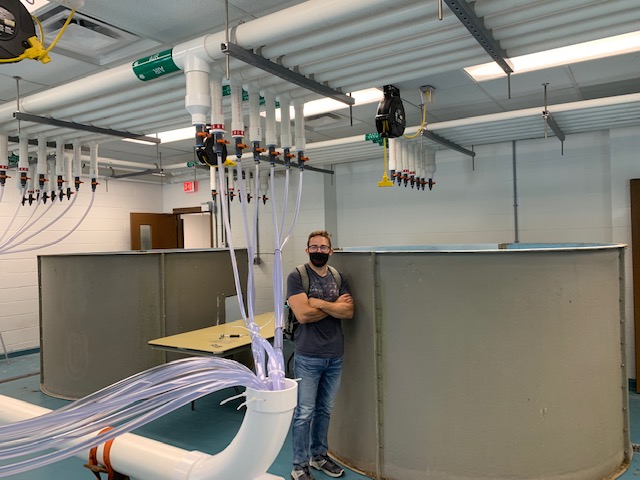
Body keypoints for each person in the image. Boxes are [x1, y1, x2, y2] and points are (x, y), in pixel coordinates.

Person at [287, 230, 354, 480]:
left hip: (335, 355)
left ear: (331, 251)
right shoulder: (297, 276)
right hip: (308, 356)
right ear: (307, 250)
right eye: (313, 247)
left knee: (324, 410)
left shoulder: (338, 277)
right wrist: (335, 305)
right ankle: (299, 465)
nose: (318, 251)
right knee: (304, 412)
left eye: (323, 247)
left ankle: (319, 457)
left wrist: (320, 303)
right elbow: (303, 315)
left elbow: (348, 313)